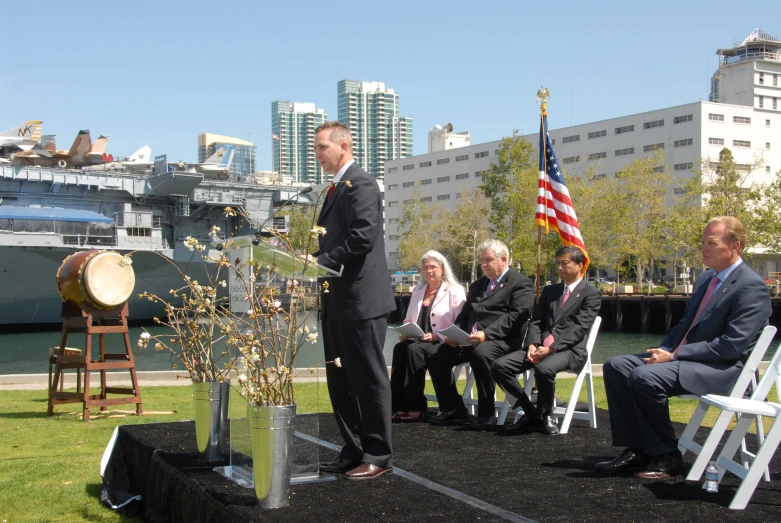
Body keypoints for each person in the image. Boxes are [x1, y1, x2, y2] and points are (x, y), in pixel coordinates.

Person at [595, 216, 771, 479]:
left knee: (644, 376)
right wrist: (664, 349)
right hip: (687, 360)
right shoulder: (705, 280)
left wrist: (674, 355)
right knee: (616, 365)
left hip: (723, 370)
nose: (704, 248)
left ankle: (667, 455)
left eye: (711, 243)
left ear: (736, 246)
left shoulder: (751, 286)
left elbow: (731, 347)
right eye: (702, 242)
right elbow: (684, 325)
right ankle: (638, 450)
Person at [313, 121, 397, 480]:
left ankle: (377, 454)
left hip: (362, 301)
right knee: (340, 380)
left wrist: (321, 262)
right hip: (337, 302)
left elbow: (363, 237)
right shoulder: (335, 189)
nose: (317, 155)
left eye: (321, 148)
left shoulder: (360, 183)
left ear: (343, 145)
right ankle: (352, 449)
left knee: (368, 380)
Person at [493, 246, 601, 435]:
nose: (560, 268)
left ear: (579, 265)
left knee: (544, 369)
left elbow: (579, 328)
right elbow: (536, 321)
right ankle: (530, 413)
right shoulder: (550, 291)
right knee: (500, 365)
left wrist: (552, 349)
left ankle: (546, 414)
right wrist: (532, 344)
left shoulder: (590, 294)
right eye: (557, 263)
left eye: (565, 263)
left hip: (570, 350)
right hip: (540, 347)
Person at [427, 239, 534, 429]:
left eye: (488, 260)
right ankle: (453, 408)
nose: (484, 265)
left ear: (503, 259)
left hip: (503, 341)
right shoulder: (478, 285)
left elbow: (516, 316)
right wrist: (455, 333)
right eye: (482, 261)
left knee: (481, 353)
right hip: (471, 339)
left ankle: (486, 413)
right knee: (437, 356)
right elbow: (466, 314)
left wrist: (486, 334)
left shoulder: (520, 283)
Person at [390, 251, 466, 422]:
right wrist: (405, 332)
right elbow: (409, 318)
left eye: (433, 267)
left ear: (442, 269)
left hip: (445, 341)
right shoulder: (418, 290)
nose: (429, 271)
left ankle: (416, 406)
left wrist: (435, 336)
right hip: (419, 339)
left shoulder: (455, 291)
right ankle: (398, 405)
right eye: (425, 268)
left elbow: (460, 322)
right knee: (400, 348)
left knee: (414, 350)